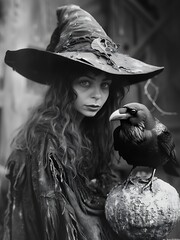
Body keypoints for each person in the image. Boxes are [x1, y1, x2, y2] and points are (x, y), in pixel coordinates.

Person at [2, 4, 164, 240]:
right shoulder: (45, 140)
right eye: (85, 83)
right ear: (65, 85)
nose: (97, 95)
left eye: (105, 85)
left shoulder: (91, 128)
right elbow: (59, 224)